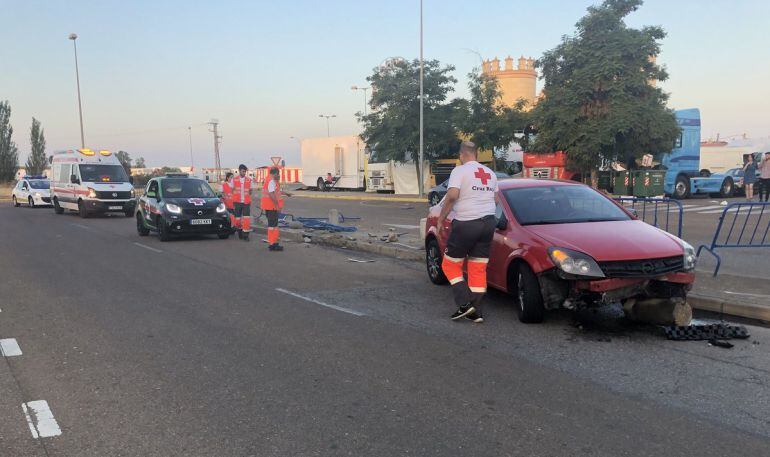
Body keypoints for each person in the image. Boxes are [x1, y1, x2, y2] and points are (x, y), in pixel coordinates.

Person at [436, 141, 498, 323]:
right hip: (488, 223)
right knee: (477, 267)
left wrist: (441, 219)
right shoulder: (490, 173)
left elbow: (452, 196)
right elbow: (495, 200)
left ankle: (464, 304)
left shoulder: (459, 171)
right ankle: (476, 312)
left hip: (467, 223)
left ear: (462, 155)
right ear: (476, 154)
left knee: (449, 265)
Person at [261, 167, 292, 251]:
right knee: (273, 226)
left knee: (273, 225)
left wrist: (286, 193)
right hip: (272, 207)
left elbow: (277, 191)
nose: (279, 175)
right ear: (274, 173)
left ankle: (273, 242)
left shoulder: (270, 180)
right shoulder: (271, 181)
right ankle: (272, 244)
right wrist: (277, 206)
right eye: (278, 174)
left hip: (269, 207)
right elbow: (271, 194)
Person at [231, 164, 254, 241]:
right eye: (243, 171)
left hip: (246, 203)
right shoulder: (234, 180)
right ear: (239, 170)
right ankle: (239, 230)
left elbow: (250, 191)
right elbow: (231, 190)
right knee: (237, 219)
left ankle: (246, 235)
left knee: (246, 219)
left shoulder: (249, 180)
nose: (244, 173)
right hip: (237, 202)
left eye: (245, 171)